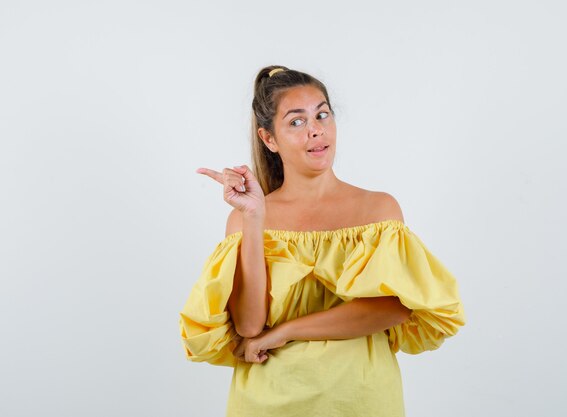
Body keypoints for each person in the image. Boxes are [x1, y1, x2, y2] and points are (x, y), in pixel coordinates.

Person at [178, 65, 465, 417]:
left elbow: (394, 307)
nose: (315, 130)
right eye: (296, 122)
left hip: (361, 401)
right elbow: (249, 326)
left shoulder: (377, 209)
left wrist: (284, 332)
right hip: (268, 402)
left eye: (322, 115)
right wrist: (254, 217)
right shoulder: (245, 218)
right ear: (269, 139)